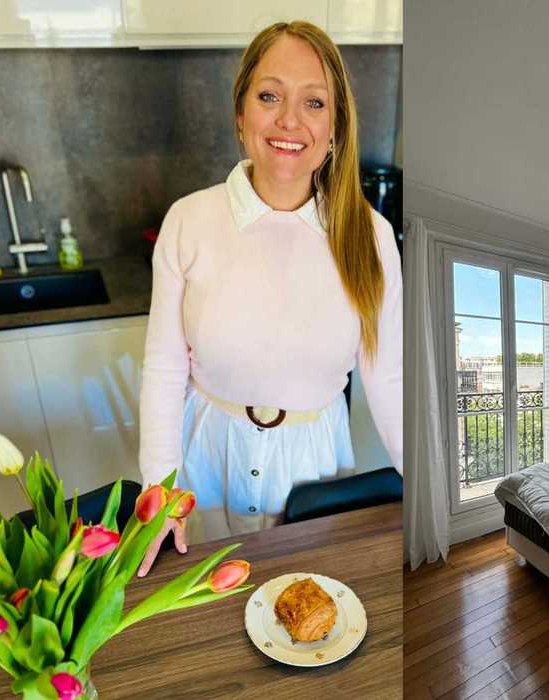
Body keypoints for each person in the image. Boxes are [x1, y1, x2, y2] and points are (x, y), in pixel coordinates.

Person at [136, 21, 403, 575]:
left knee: (307, 619)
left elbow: (388, 376)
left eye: (313, 102)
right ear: (241, 115)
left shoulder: (370, 236)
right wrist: (160, 490)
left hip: (316, 470)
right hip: (206, 459)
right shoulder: (189, 221)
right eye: (269, 96)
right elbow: (163, 369)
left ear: (335, 127)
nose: (289, 120)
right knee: (206, 613)